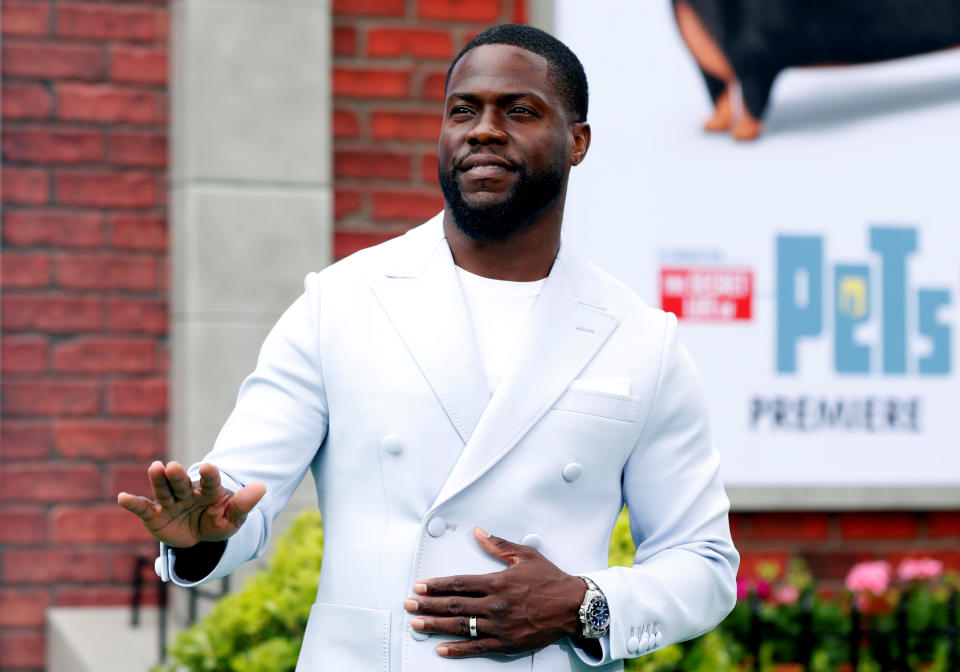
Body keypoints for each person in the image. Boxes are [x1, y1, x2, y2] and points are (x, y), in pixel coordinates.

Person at [118, 24, 738, 671]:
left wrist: (584, 604)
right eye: (463, 110)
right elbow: (240, 490)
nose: (484, 130)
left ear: (577, 142)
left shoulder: (640, 339)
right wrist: (200, 536)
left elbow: (704, 563)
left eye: (518, 110)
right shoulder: (343, 301)